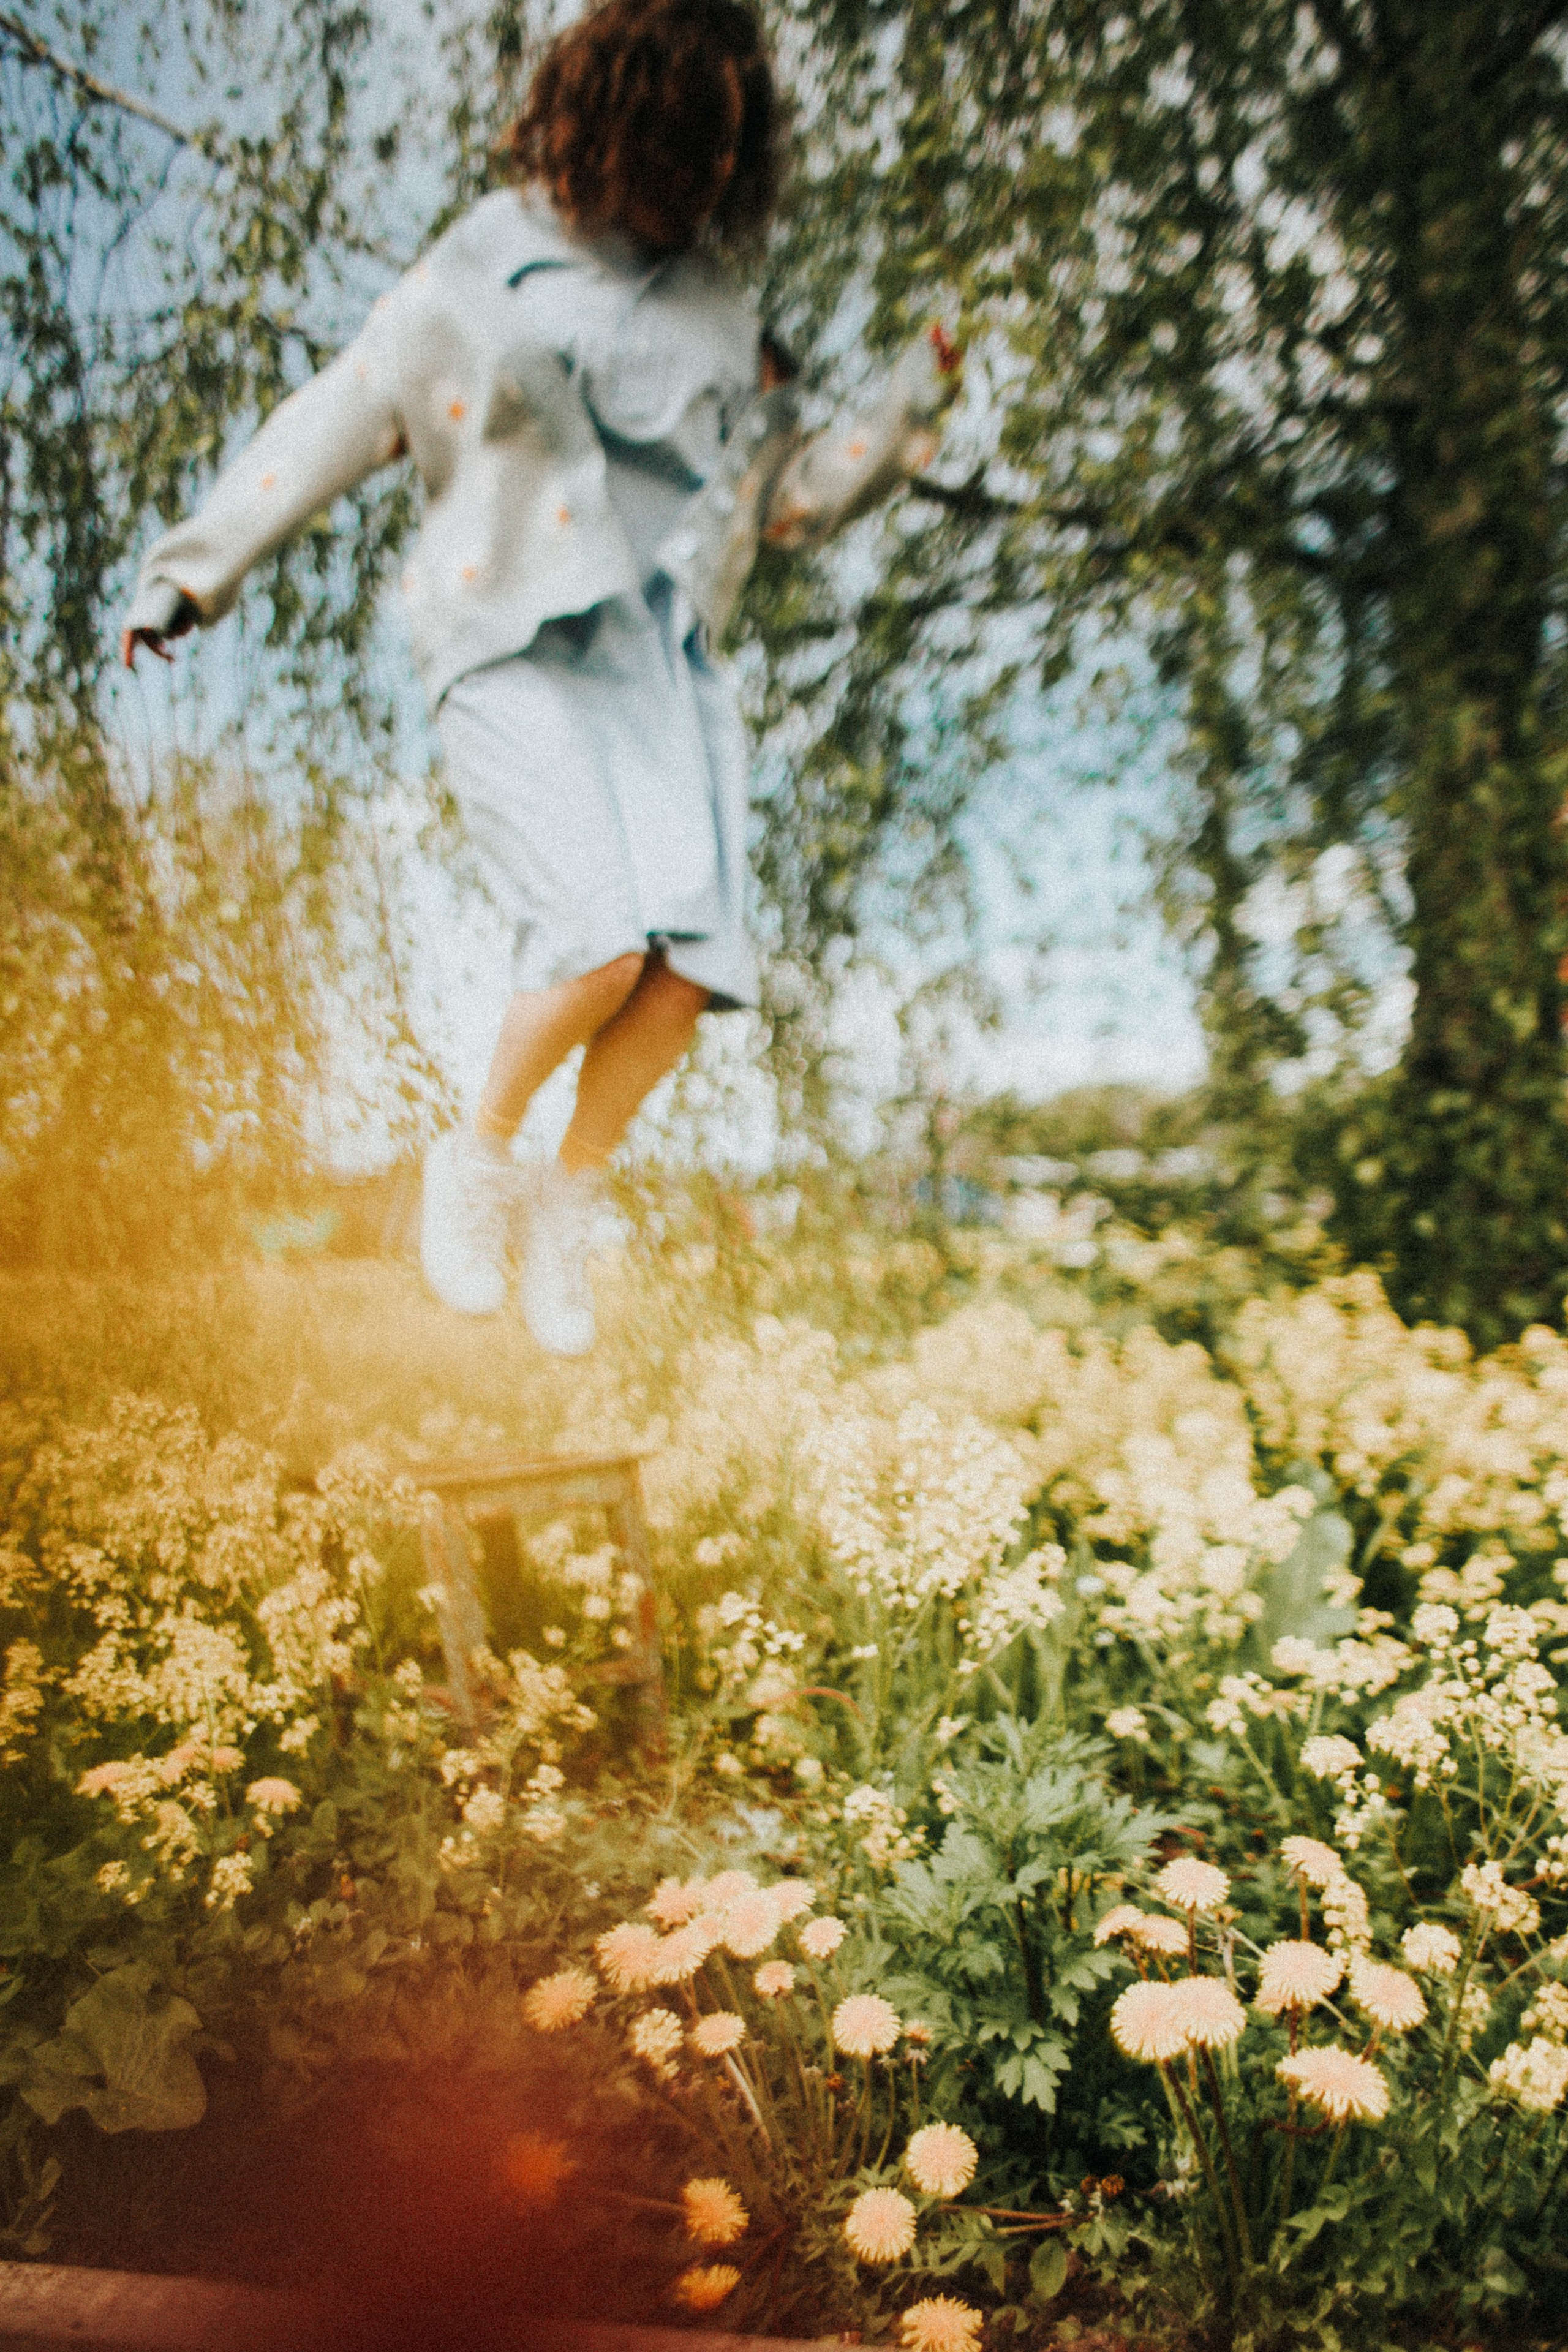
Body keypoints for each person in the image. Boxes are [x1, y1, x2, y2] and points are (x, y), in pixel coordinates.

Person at [123, 0, 959, 1353]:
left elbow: (788, 501)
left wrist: (907, 406)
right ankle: (478, 1158)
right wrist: (197, 567)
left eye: (719, 167)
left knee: (683, 971)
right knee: (594, 941)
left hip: (654, 664)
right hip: (504, 639)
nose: (696, 189)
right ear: (615, 118)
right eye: (681, 153)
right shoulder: (482, 261)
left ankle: (567, 1204)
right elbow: (344, 409)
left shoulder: (721, 313)